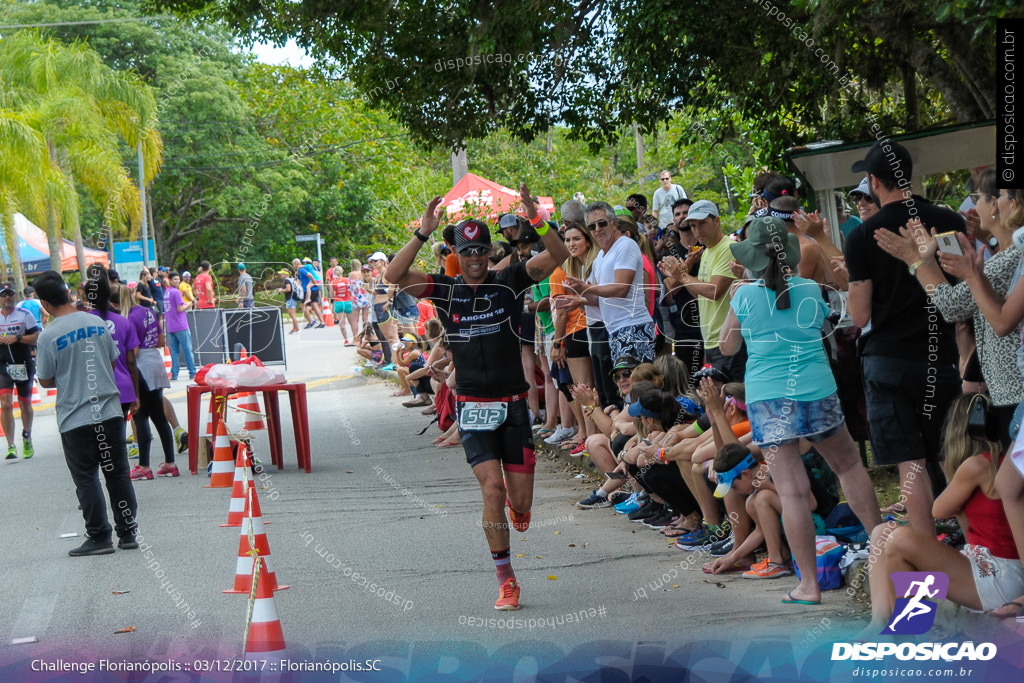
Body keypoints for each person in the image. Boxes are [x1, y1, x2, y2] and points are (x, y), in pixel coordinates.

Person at [386, 183, 569, 611]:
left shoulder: (508, 281)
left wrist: (536, 218)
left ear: (489, 252)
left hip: (512, 405)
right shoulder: (445, 290)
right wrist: (423, 232)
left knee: (518, 502)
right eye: (467, 253)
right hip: (472, 407)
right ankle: (506, 580)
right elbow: (393, 277)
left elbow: (559, 256)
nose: (474, 259)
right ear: (458, 256)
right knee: (491, 489)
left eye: (481, 251)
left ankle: (518, 505)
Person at [716, 215, 882, 603]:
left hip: (768, 397)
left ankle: (808, 585)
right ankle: (883, 549)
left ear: (753, 258)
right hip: (816, 389)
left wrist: (735, 301)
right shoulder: (810, 289)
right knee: (850, 467)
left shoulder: (742, 295)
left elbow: (726, 348)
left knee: (790, 492)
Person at [844, 140, 963, 534]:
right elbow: (962, 286)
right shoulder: (947, 220)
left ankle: (928, 553)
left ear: (874, 181)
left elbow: (859, 315)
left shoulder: (863, 235)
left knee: (910, 463)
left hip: (887, 361)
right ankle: (974, 546)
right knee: (950, 454)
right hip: (939, 356)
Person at [863, 393, 1024, 633]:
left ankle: (905, 632)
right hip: (991, 570)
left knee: (900, 540)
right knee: (882, 533)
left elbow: (938, 510)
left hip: (998, 577)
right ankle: (880, 624)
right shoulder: (1008, 463)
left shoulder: (977, 465)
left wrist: (952, 474)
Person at [34, 270, 139, 556]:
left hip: (75, 418)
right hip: (109, 412)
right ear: (68, 292)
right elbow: (112, 359)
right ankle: (128, 533)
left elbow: (44, 379)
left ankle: (99, 537)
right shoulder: (96, 323)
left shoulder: (49, 335)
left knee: (87, 478)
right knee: (117, 474)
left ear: (44, 303)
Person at [660, 200, 745, 381]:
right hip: (711, 339)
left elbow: (714, 292)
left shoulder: (728, 248)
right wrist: (682, 275)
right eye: (693, 225)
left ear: (717, 221)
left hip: (729, 339)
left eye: (702, 223)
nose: (697, 230)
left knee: (734, 400)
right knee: (717, 398)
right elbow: (699, 294)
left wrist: (681, 275)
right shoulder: (706, 251)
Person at [564, 202, 655, 363]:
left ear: (614, 223)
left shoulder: (625, 245)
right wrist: (579, 293)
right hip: (614, 330)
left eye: (602, 223)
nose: (597, 229)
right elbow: (597, 299)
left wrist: (586, 287)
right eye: (592, 226)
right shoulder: (600, 257)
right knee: (625, 386)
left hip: (634, 326)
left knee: (640, 385)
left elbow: (622, 289)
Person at [120, 285, 178, 479]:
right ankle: (170, 462)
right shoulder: (149, 311)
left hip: (141, 366)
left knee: (140, 416)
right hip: (155, 362)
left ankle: (144, 467)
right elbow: (161, 341)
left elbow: (133, 351)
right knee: (159, 417)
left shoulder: (128, 318)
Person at [0, 282, 40, 459]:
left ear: (15, 296)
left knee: (25, 404)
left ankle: (27, 435)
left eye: (10, 294)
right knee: (6, 403)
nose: (8, 297)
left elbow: (37, 336)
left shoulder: (25, 314)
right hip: (3, 365)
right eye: (4, 294)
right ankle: (10, 445)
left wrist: (17, 337)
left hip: (23, 364)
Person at [164, 272, 196, 381]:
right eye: (175, 279)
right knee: (187, 349)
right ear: (170, 280)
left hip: (171, 325)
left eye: (178, 279)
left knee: (174, 351)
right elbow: (180, 308)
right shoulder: (176, 292)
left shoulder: (166, 292)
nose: (177, 281)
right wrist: (189, 304)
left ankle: (174, 373)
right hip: (181, 325)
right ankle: (192, 372)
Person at [278, 269, 301, 334]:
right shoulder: (291, 279)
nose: (280, 275)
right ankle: (294, 328)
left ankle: (297, 329)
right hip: (293, 299)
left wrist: (281, 290)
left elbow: (288, 289)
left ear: (285, 274)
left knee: (292, 315)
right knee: (292, 315)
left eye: (282, 273)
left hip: (290, 299)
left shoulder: (287, 280)